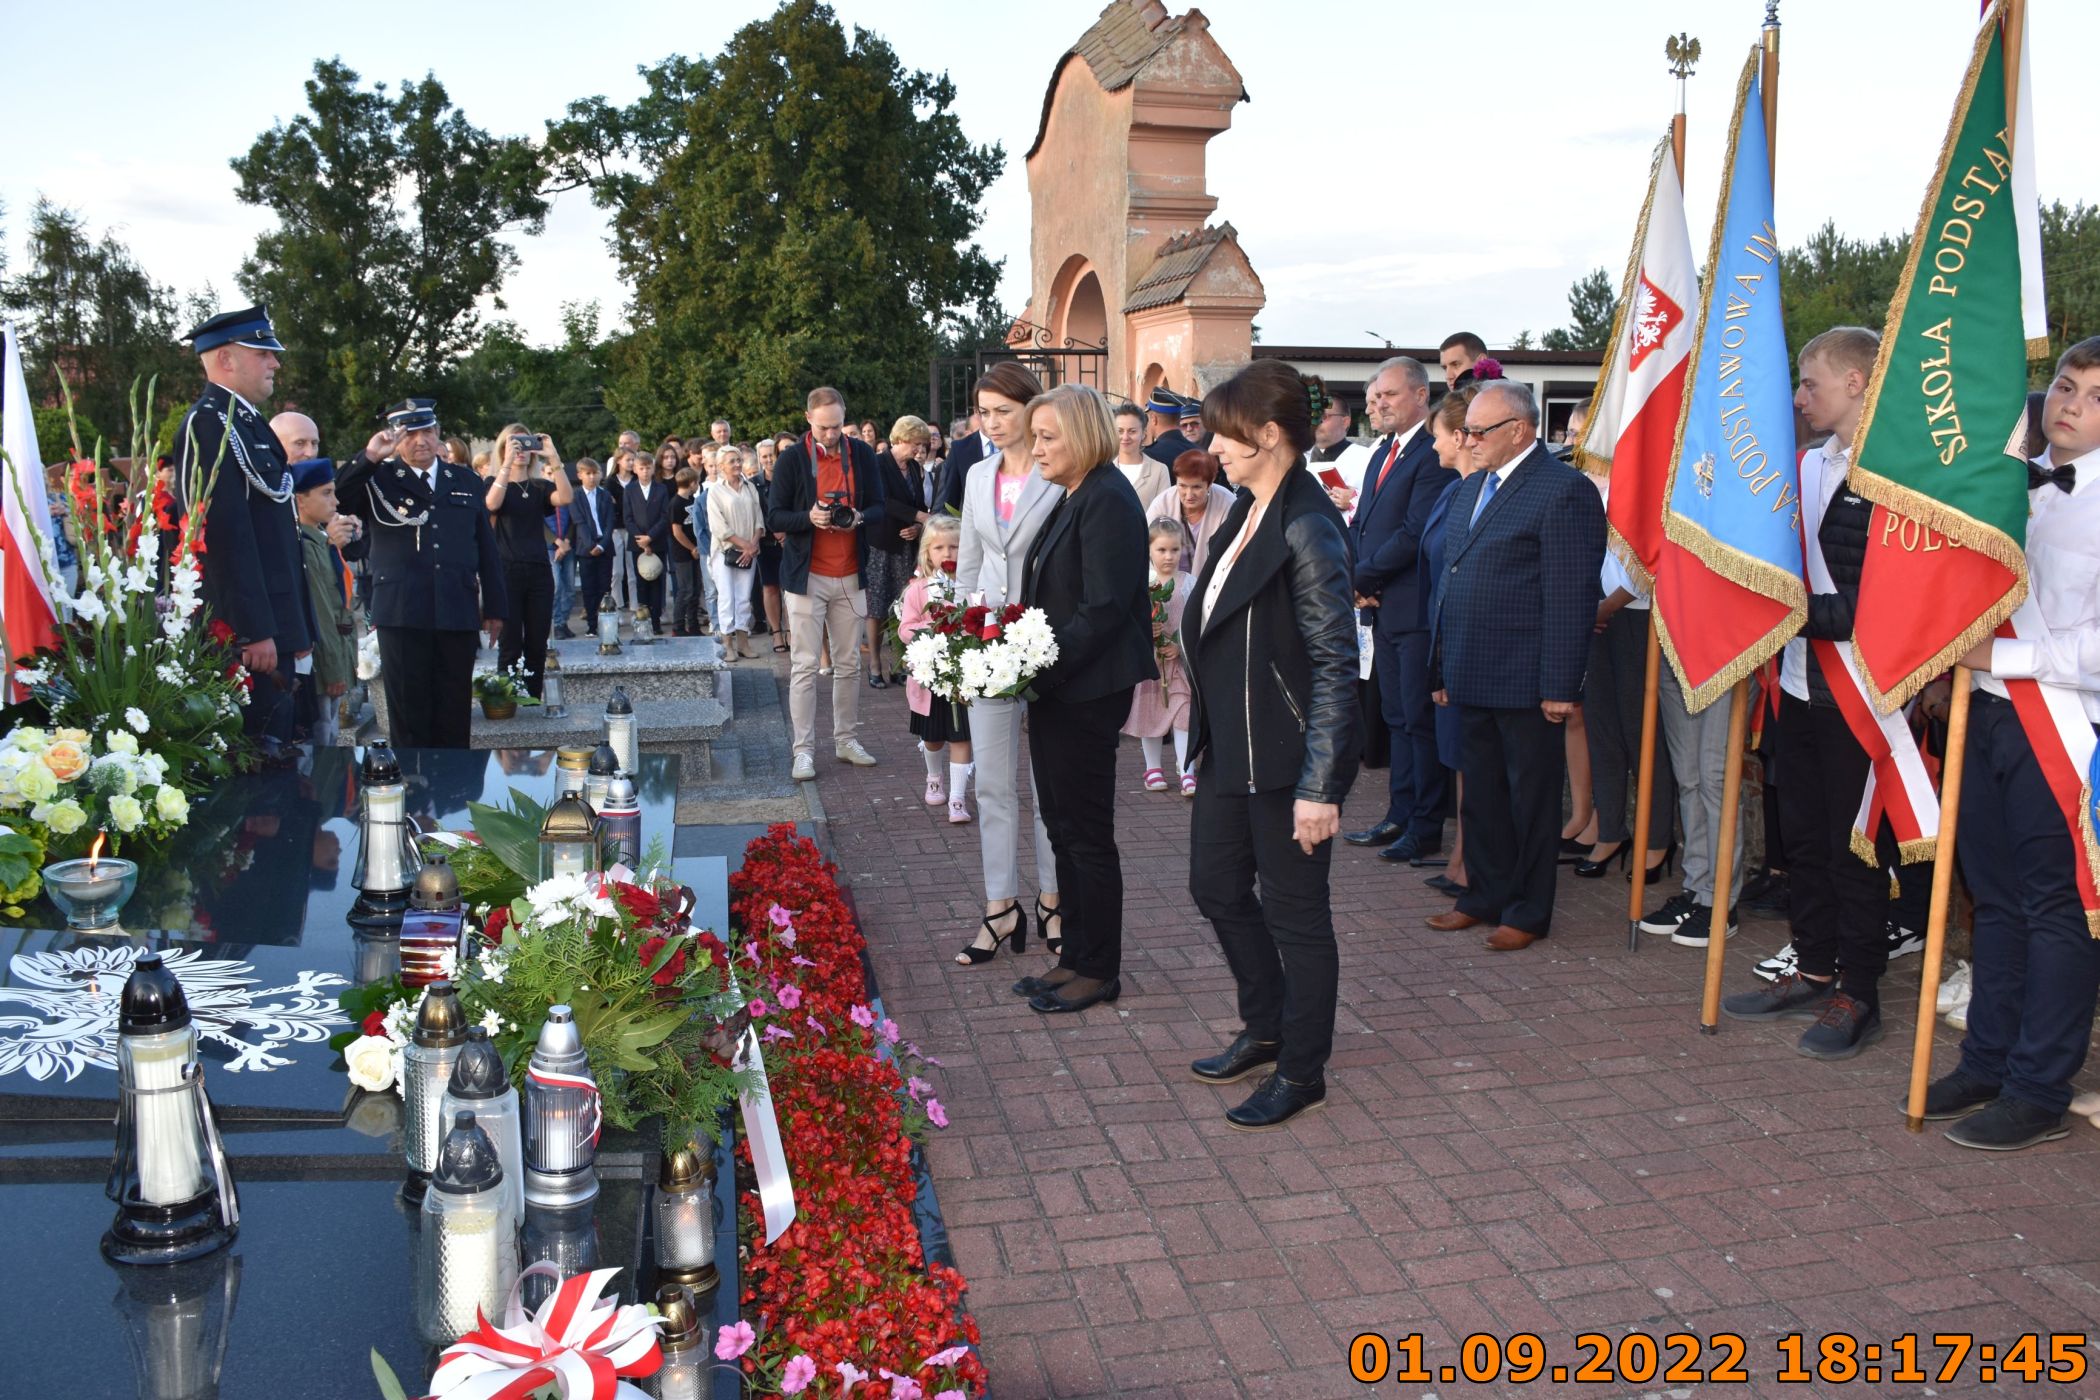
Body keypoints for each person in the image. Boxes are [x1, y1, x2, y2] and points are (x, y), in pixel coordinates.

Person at [1923, 335, 2100, 1149]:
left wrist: (2003, 658)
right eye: (2065, 386)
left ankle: (2039, 1085)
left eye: (2095, 398)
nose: (2071, 406)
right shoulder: (2008, 487)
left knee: (2056, 909)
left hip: (2066, 726)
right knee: (1994, 898)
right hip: (1987, 714)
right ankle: (1987, 1059)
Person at [1182, 359, 1361, 1130]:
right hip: (1232, 747)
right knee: (1215, 887)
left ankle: (1301, 1068)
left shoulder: (1307, 525)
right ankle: (1266, 1025)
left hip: (1288, 763)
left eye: (1224, 434)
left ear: (1266, 435)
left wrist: (1321, 787)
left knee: (1298, 919)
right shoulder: (1247, 510)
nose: (1212, 448)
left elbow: (1336, 665)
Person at [1717, 327, 1895, 1054]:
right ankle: (1816, 967)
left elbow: (1884, 604)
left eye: (1810, 382)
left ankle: (1861, 991)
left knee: (1855, 851)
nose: (1798, 397)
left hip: (1860, 693)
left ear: (1855, 383)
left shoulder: (1895, 474)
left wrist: (1781, 611)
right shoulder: (1806, 465)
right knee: (1804, 842)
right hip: (1797, 684)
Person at [1426, 380, 1605, 951]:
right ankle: (1482, 896)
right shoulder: (1470, 487)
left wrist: (1561, 685)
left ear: (1520, 431)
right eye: (1466, 431)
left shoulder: (1564, 490)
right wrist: (1441, 669)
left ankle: (1527, 912)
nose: (1469, 440)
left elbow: (1571, 595)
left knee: (1529, 801)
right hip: (1470, 671)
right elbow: (1451, 581)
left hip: (1528, 680)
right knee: (1480, 797)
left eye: (1479, 431)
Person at [1011, 384, 1155, 1014]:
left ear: (1083, 435)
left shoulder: (1108, 500)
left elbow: (1102, 609)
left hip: (1086, 691)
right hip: (1060, 688)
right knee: (1062, 825)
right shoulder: (1074, 494)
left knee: (1087, 832)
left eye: (1048, 437)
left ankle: (1099, 969)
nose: (1037, 448)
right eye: (1035, 437)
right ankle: (1073, 955)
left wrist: (1032, 668)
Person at [954, 363, 1065, 965]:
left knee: (1049, 784)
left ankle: (1053, 900)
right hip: (989, 649)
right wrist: (962, 637)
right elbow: (969, 564)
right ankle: (1000, 908)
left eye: (1003, 411)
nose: (992, 423)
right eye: (984, 412)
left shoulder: (1059, 473)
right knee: (993, 784)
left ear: (1031, 408)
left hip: (1049, 644)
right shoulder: (976, 475)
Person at [173, 305, 312, 749]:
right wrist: (252, 630)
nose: (275, 363)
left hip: (276, 624)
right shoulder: (207, 423)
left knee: (280, 748)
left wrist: (296, 626)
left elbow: (279, 536)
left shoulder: (249, 423)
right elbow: (223, 536)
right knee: (257, 757)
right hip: (251, 637)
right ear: (225, 359)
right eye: (262, 353)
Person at [337, 397, 507, 747]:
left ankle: (453, 780)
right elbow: (338, 497)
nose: (421, 440)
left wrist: (495, 607)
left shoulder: (464, 479)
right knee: (408, 714)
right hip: (402, 612)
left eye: (427, 431)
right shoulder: (378, 479)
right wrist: (369, 456)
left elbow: (486, 546)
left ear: (438, 432)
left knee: (454, 712)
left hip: (456, 607)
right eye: (410, 434)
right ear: (395, 439)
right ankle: (412, 780)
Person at [1341, 355, 1454, 869]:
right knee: (1395, 717)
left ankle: (1424, 827)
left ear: (1420, 395)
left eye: (1387, 395)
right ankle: (1399, 814)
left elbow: (1414, 533)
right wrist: (1355, 574)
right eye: (1373, 398)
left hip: (1414, 609)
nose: (1378, 405)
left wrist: (1362, 577)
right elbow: (1362, 523)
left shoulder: (1431, 453)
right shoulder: (1383, 451)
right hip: (1381, 607)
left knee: (1418, 721)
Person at [1575, 402, 1678, 882]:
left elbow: (1651, 558)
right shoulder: (1582, 486)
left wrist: (1609, 605)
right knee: (1602, 730)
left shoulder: (1643, 482)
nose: (1576, 442)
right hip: (1591, 618)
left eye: (1583, 431)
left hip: (1635, 617)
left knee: (1642, 734)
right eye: (1572, 432)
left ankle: (1656, 839)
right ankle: (1610, 829)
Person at [770, 386, 884, 779]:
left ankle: (846, 740)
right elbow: (775, 516)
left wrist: (859, 517)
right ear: (808, 420)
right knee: (804, 666)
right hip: (807, 576)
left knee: (849, 664)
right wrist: (809, 518)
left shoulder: (862, 454)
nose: (831, 434)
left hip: (851, 574)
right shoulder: (792, 458)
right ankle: (803, 751)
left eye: (837, 426)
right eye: (823, 428)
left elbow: (880, 506)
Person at [1416, 388, 1478, 897]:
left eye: (1437, 436)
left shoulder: (1478, 494)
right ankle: (1462, 855)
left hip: (1466, 647)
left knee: (1471, 759)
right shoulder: (1452, 490)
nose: (1433, 446)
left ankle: (1471, 859)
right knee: (1456, 756)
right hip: (1444, 643)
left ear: (1459, 437)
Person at [899, 516, 976, 834]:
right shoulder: (917, 589)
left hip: (961, 678)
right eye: (939, 547)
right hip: (929, 679)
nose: (947, 553)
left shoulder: (968, 586)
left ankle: (957, 797)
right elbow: (905, 628)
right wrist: (931, 629)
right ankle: (934, 778)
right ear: (927, 552)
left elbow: (979, 619)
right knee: (932, 737)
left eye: (954, 546)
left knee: (962, 735)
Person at [483, 425, 573, 698]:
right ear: (503, 448)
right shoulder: (493, 482)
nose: (521, 451)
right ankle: (507, 702)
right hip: (506, 571)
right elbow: (491, 504)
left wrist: (553, 457)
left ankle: (532, 700)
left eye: (526, 445)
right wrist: (507, 463)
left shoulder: (539, 486)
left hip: (538, 571)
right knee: (510, 644)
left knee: (537, 644)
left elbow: (566, 497)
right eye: (514, 445)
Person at [291, 458, 364, 746]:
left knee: (331, 730)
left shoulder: (320, 540)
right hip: (324, 661)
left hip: (337, 651)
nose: (335, 501)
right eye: (326, 493)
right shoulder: (306, 546)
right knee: (323, 735)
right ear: (300, 500)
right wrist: (334, 668)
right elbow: (321, 611)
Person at [1124, 518, 1195, 794]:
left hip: (1178, 664)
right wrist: (1146, 629)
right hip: (1151, 665)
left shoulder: (1188, 583)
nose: (1168, 556)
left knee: (1184, 713)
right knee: (1150, 714)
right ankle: (1152, 768)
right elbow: (1129, 620)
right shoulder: (1142, 583)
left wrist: (1180, 645)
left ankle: (1187, 770)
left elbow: (1195, 623)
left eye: (1174, 550)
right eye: (1162, 550)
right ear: (1149, 550)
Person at [866, 417, 933, 689]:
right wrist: (920, 516)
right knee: (877, 606)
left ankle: (900, 663)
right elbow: (883, 501)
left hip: (906, 547)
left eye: (922, 445)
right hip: (881, 545)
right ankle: (874, 664)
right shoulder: (878, 463)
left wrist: (918, 526)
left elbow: (920, 504)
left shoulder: (915, 468)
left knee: (903, 606)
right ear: (902, 438)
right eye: (916, 443)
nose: (919, 449)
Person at [705, 444, 764, 661]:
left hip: (749, 551)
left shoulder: (750, 487)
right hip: (725, 552)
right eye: (732, 461)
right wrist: (744, 545)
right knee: (727, 598)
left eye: (739, 460)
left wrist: (752, 544)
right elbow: (718, 527)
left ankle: (743, 644)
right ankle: (727, 645)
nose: (737, 464)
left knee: (744, 598)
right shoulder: (715, 491)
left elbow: (759, 519)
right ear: (721, 466)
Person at [1144, 450, 1238, 579]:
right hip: (1164, 584)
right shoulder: (1162, 503)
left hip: (1213, 582)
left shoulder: (1227, 503)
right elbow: (1144, 546)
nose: (1189, 495)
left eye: (1196, 487)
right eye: (1182, 486)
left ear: (1210, 483)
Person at [623, 448, 673, 633]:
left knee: (657, 583)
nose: (645, 471)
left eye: (648, 468)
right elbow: (627, 517)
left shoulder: (661, 489)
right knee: (641, 584)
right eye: (641, 468)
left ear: (653, 468)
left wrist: (650, 537)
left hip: (657, 541)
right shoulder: (629, 490)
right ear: (635, 469)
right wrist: (641, 539)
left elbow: (665, 516)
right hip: (637, 544)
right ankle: (643, 622)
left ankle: (656, 622)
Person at [569, 457, 617, 636]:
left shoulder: (605, 495)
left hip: (605, 546)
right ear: (580, 475)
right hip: (586, 548)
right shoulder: (576, 496)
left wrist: (602, 545)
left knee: (605, 587)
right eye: (588, 473)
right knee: (589, 588)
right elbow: (579, 522)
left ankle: (607, 623)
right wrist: (591, 545)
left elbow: (610, 521)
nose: (592, 477)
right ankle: (592, 625)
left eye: (595, 473)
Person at [1308, 396, 1373, 522]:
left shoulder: (1368, 457)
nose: (1316, 422)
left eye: (1324, 417)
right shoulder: (1298, 459)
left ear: (1345, 422)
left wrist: (1355, 500)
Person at [752, 436, 787, 649]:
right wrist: (775, 531)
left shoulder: (789, 477)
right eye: (764, 456)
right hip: (766, 543)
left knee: (790, 590)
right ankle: (776, 633)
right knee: (770, 588)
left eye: (771, 455)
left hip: (789, 542)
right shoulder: (753, 483)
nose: (768, 460)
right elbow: (755, 512)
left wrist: (786, 532)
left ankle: (791, 632)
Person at [932, 407, 991, 517]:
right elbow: (947, 502)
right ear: (977, 412)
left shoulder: (1021, 445)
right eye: (986, 412)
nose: (993, 419)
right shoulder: (959, 449)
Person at [1110, 402, 1170, 507]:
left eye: (1132, 431)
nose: (1125, 437)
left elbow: (1164, 510)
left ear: (1143, 433)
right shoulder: (1104, 470)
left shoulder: (1159, 471)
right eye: (1120, 431)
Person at [671, 466, 704, 637]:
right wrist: (692, 548)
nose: (698, 485)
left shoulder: (692, 500)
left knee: (695, 589)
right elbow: (677, 532)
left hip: (694, 552)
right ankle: (678, 626)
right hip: (683, 553)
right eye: (697, 482)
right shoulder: (676, 503)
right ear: (692, 483)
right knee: (685, 590)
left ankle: (693, 625)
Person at [1141, 385, 1196, 468]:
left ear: (1154, 419)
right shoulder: (1199, 451)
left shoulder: (1149, 456)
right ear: (1179, 418)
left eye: (1148, 417)